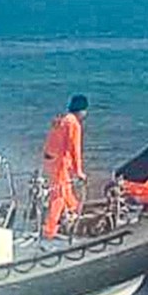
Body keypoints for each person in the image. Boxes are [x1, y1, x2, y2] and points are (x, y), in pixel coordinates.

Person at [41, 94, 88, 239]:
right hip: (59, 162)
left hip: (49, 159)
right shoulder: (73, 124)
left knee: (65, 191)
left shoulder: (60, 119)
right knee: (59, 195)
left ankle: (73, 212)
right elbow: (74, 148)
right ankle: (49, 230)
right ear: (81, 110)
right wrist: (79, 172)